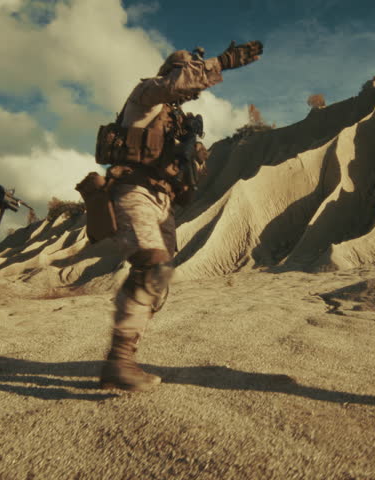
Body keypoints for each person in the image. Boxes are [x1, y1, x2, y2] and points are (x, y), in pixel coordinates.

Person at [95, 41, 262, 392]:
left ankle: (123, 357)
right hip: (133, 190)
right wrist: (224, 62)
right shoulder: (147, 96)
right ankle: (119, 362)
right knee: (151, 266)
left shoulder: (176, 120)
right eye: (188, 70)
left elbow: (186, 174)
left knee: (159, 282)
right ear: (172, 71)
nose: (188, 92)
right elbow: (178, 83)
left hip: (163, 201)